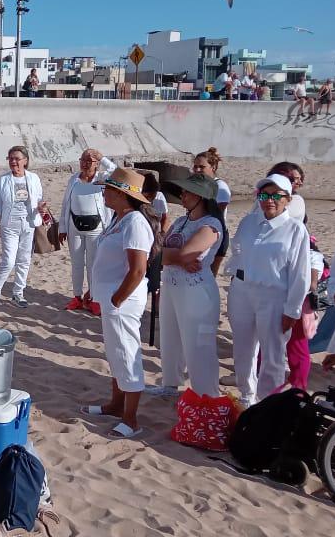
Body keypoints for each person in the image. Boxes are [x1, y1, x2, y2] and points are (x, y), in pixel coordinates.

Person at [81, 168, 159, 438]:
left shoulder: (135, 222)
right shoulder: (120, 218)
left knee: (127, 354)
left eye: (109, 189)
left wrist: (116, 299)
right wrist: (98, 290)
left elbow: (138, 269)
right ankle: (116, 405)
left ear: (122, 194)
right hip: (112, 297)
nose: (104, 193)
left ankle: (131, 418)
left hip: (123, 300)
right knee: (115, 354)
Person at [225, 174, 311, 406]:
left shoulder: (295, 230)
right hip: (242, 292)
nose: (269, 200)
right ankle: (246, 396)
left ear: (288, 199)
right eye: (264, 195)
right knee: (243, 348)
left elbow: (300, 274)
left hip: (274, 297)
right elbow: (238, 252)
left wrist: (292, 310)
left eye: (276, 195)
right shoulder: (248, 222)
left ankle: (268, 402)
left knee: (273, 354)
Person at [157, 174, 224, 398]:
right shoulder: (180, 221)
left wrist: (169, 256)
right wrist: (172, 257)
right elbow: (160, 250)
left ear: (202, 196)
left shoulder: (211, 225)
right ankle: (170, 385)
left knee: (198, 346)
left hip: (196, 291)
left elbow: (186, 254)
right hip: (171, 285)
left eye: (188, 191)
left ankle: (206, 396)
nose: (182, 195)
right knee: (170, 338)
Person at [57, 149, 116, 315]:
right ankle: (77, 297)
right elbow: (65, 205)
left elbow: (117, 172)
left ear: (96, 164)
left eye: (89, 161)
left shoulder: (103, 179)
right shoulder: (73, 180)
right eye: (83, 160)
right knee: (76, 264)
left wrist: (102, 157)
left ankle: (94, 299)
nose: (85, 163)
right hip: (74, 227)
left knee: (93, 265)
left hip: (96, 229)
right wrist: (62, 228)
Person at [0, 146, 47, 309]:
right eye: (10, 159)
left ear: (25, 161)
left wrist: (41, 207)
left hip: (29, 223)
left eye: (17, 159)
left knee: (24, 259)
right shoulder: (3, 180)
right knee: (8, 260)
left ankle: (18, 292)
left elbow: (40, 199)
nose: (13, 162)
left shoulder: (33, 178)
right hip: (9, 224)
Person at [285, 236, 326, 390]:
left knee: (297, 346)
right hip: (290, 304)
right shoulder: (308, 254)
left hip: (300, 307)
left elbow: (312, 284)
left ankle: (298, 384)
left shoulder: (312, 256)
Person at [191, 147, 232, 275]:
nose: (197, 170)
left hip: (214, 233)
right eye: (195, 166)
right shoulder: (197, 185)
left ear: (213, 167)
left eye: (201, 167)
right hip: (197, 230)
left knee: (207, 275)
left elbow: (216, 213)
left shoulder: (220, 187)